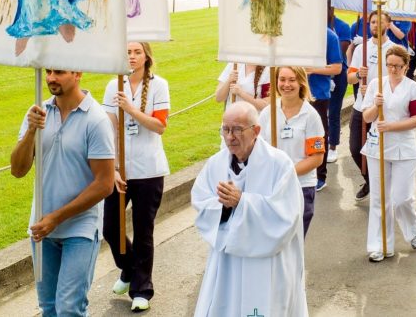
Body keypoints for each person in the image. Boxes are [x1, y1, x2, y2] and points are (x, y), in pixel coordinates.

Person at [10, 69, 116, 317]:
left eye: (59, 72)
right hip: (41, 228)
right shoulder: (37, 113)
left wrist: (56, 218)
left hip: (80, 229)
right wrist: (31, 132)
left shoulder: (96, 119)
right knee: (48, 308)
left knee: (69, 308)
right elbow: (17, 169)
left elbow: (105, 184)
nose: (50, 78)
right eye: (48, 72)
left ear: (77, 73)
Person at [192, 102, 307, 316]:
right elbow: (200, 202)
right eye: (225, 129)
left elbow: (286, 215)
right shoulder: (216, 164)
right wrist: (222, 207)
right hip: (229, 261)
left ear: (256, 131)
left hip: (266, 261)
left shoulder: (279, 165)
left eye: (237, 129)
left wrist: (242, 202)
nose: (230, 137)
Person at [101, 42, 170, 312]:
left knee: (143, 232)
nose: (131, 56)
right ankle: (129, 269)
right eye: (127, 52)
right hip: (119, 171)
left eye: (137, 52)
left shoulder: (158, 85)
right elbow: (108, 129)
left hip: (148, 171)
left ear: (146, 57)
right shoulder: (113, 85)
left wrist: (130, 109)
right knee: (110, 228)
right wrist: (114, 168)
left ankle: (142, 289)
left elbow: (160, 126)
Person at [361, 46, 416, 261]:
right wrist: (375, 105)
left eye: (398, 66)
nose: (393, 69)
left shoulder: (414, 89)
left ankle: (412, 229)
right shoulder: (375, 85)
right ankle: (381, 245)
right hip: (377, 148)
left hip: (404, 149)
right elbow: (367, 118)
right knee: (380, 199)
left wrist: (391, 126)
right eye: (389, 65)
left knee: (400, 198)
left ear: (406, 67)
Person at [258, 66, 326, 235]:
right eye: (282, 79)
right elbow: (257, 149)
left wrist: (285, 173)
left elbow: (316, 158)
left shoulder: (311, 116)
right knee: (271, 241)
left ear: (301, 83)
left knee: (293, 244)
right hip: (271, 187)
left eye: (291, 80)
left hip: (301, 187)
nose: (286, 84)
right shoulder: (268, 113)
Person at [347, 10, 402, 201]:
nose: (375, 26)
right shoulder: (361, 49)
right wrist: (358, 75)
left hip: (385, 108)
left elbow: (400, 78)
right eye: (372, 22)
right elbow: (349, 78)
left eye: (380, 22)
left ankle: (384, 185)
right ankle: (371, 181)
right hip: (362, 106)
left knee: (383, 149)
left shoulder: (394, 49)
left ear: (388, 25)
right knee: (356, 148)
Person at [304, 23, 343, 191]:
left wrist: (314, 70)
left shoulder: (329, 36)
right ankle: (303, 170)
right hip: (295, 92)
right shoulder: (295, 32)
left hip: (318, 94)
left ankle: (320, 175)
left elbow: (337, 67)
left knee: (318, 135)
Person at [327, 0, 352, 165]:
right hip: (319, 75)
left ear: (331, 9)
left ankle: (333, 146)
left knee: (334, 112)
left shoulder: (342, 27)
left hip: (337, 74)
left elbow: (340, 51)